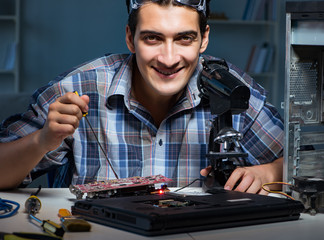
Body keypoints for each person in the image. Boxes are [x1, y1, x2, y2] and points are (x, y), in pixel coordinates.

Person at [0, 0, 284, 194]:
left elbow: (304, 161)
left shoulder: (230, 87)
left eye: (184, 38)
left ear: (204, 38)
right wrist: (42, 140)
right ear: (129, 37)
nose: (169, 58)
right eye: (153, 38)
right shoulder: (78, 87)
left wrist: (270, 173)